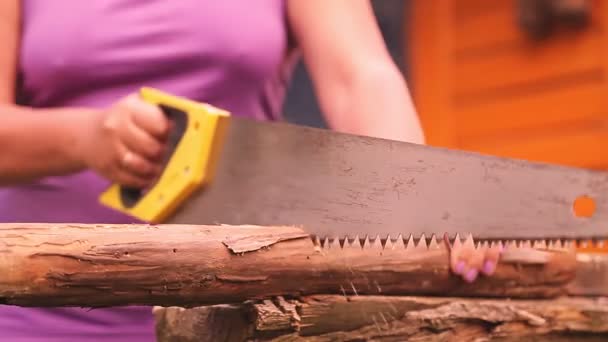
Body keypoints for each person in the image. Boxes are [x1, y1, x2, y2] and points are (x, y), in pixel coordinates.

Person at [0, 0, 501, 340]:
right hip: (36, 307)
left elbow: (360, 77)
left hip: (241, 310)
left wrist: (421, 188)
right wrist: (86, 138)